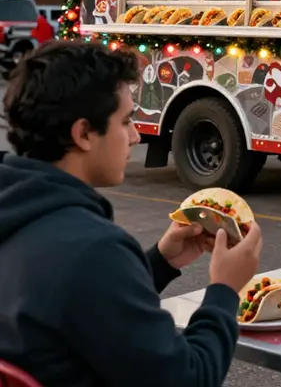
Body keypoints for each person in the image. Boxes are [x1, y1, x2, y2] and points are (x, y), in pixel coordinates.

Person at [0, 40, 263, 387]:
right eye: (126, 121)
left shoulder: (21, 216)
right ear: (83, 134)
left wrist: (160, 262)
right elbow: (188, 379)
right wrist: (225, 289)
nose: (136, 137)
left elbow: (84, 305)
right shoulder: (92, 249)